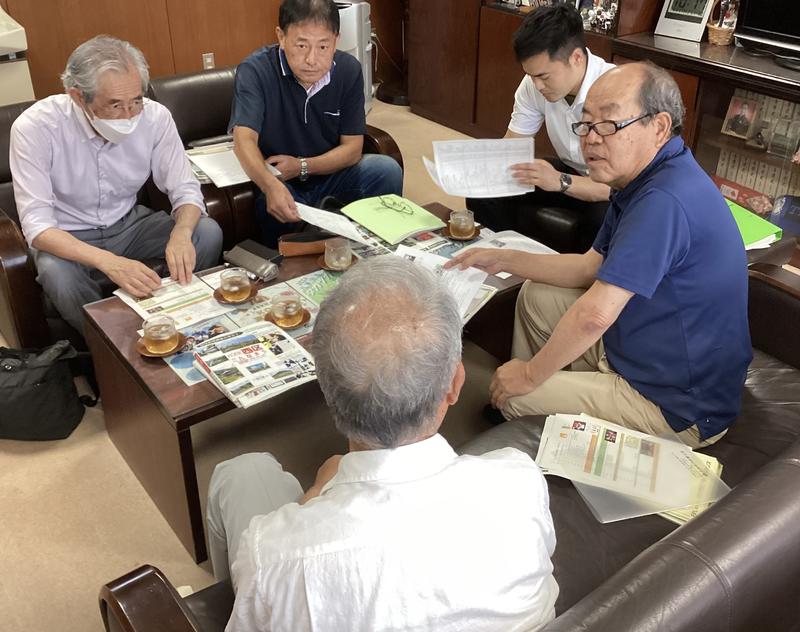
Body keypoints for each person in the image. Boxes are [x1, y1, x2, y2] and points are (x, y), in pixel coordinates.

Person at [206, 257, 558, 632]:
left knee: (242, 472)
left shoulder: (272, 554)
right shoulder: (520, 480)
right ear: (455, 385)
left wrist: (313, 496)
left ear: (326, 389)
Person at [447, 62, 752, 449]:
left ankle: (521, 401)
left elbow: (595, 315)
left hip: (678, 405)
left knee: (521, 394)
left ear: (659, 127)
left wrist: (529, 377)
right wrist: (504, 259)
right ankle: (535, 395)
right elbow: (589, 267)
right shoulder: (644, 178)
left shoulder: (663, 200)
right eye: (586, 124)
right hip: (645, 348)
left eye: (608, 124)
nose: (590, 140)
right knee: (536, 297)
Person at [9, 35, 222, 335]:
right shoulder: (36, 128)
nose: (129, 116)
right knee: (58, 275)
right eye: (115, 106)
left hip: (130, 226)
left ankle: (182, 321)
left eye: (136, 101)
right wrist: (110, 262)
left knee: (206, 233)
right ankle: (111, 345)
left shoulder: (155, 118)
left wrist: (182, 233)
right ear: (78, 97)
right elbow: (38, 227)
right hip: (68, 234)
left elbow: (185, 189)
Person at [229, 0, 403, 247]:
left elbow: (353, 148)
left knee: (386, 170)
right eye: (301, 45)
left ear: (336, 40)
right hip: (281, 181)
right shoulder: (255, 71)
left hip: (331, 173)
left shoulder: (348, 70)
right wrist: (269, 184)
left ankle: (376, 252)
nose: (312, 59)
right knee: (275, 206)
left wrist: (301, 166)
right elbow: (243, 139)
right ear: (281, 36)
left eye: (323, 46)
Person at [467, 4, 615, 247]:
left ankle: (571, 272)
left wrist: (559, 180)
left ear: (576, 58)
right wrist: (480, 169)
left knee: (603, 219)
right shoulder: (533, 85)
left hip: (610, 188)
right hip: (571, 171)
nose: (536, 85)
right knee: (486, 189)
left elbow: (614, 188)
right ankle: (501, 256)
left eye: (543, 77)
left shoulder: (615, 91)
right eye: (531, 75)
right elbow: (512, 146)